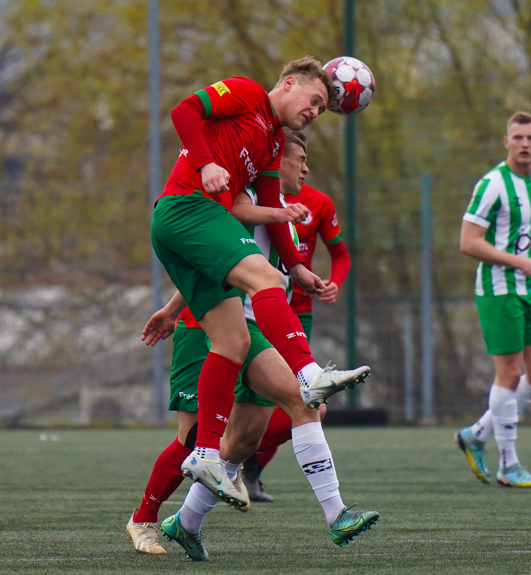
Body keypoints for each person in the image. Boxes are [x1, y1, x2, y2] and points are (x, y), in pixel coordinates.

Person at [149, 57, 371, 507]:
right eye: (313, 101)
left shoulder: (271, 141)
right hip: (186, 207)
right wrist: (208, 164)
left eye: (323, 109)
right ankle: (309, 373)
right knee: (264, 279)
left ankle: (206, 460)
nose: (314, 112)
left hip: (197, 218)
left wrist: (296, 257)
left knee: (231, 343)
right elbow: (183, 112)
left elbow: (267, 200)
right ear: (289, 83)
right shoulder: (247, 93)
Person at [455, 111, 531, 488]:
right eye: (518, 137)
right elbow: (468, 242)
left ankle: (476, 433)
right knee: (508, 373)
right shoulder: (492, 184)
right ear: (506, 142)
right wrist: (519, 262)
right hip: (498, 289)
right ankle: (508, 464)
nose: (524, 144)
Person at [243, 131, 353, 503]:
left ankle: (247, 467)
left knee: (301, 405)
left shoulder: (316, 203)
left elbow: (340, 254)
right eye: (300, 160)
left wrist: (331, 283)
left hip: (292, 315)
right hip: (248, 318)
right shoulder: (255, 203)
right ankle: (223, 464)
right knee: (200, 434)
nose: (307, 169)